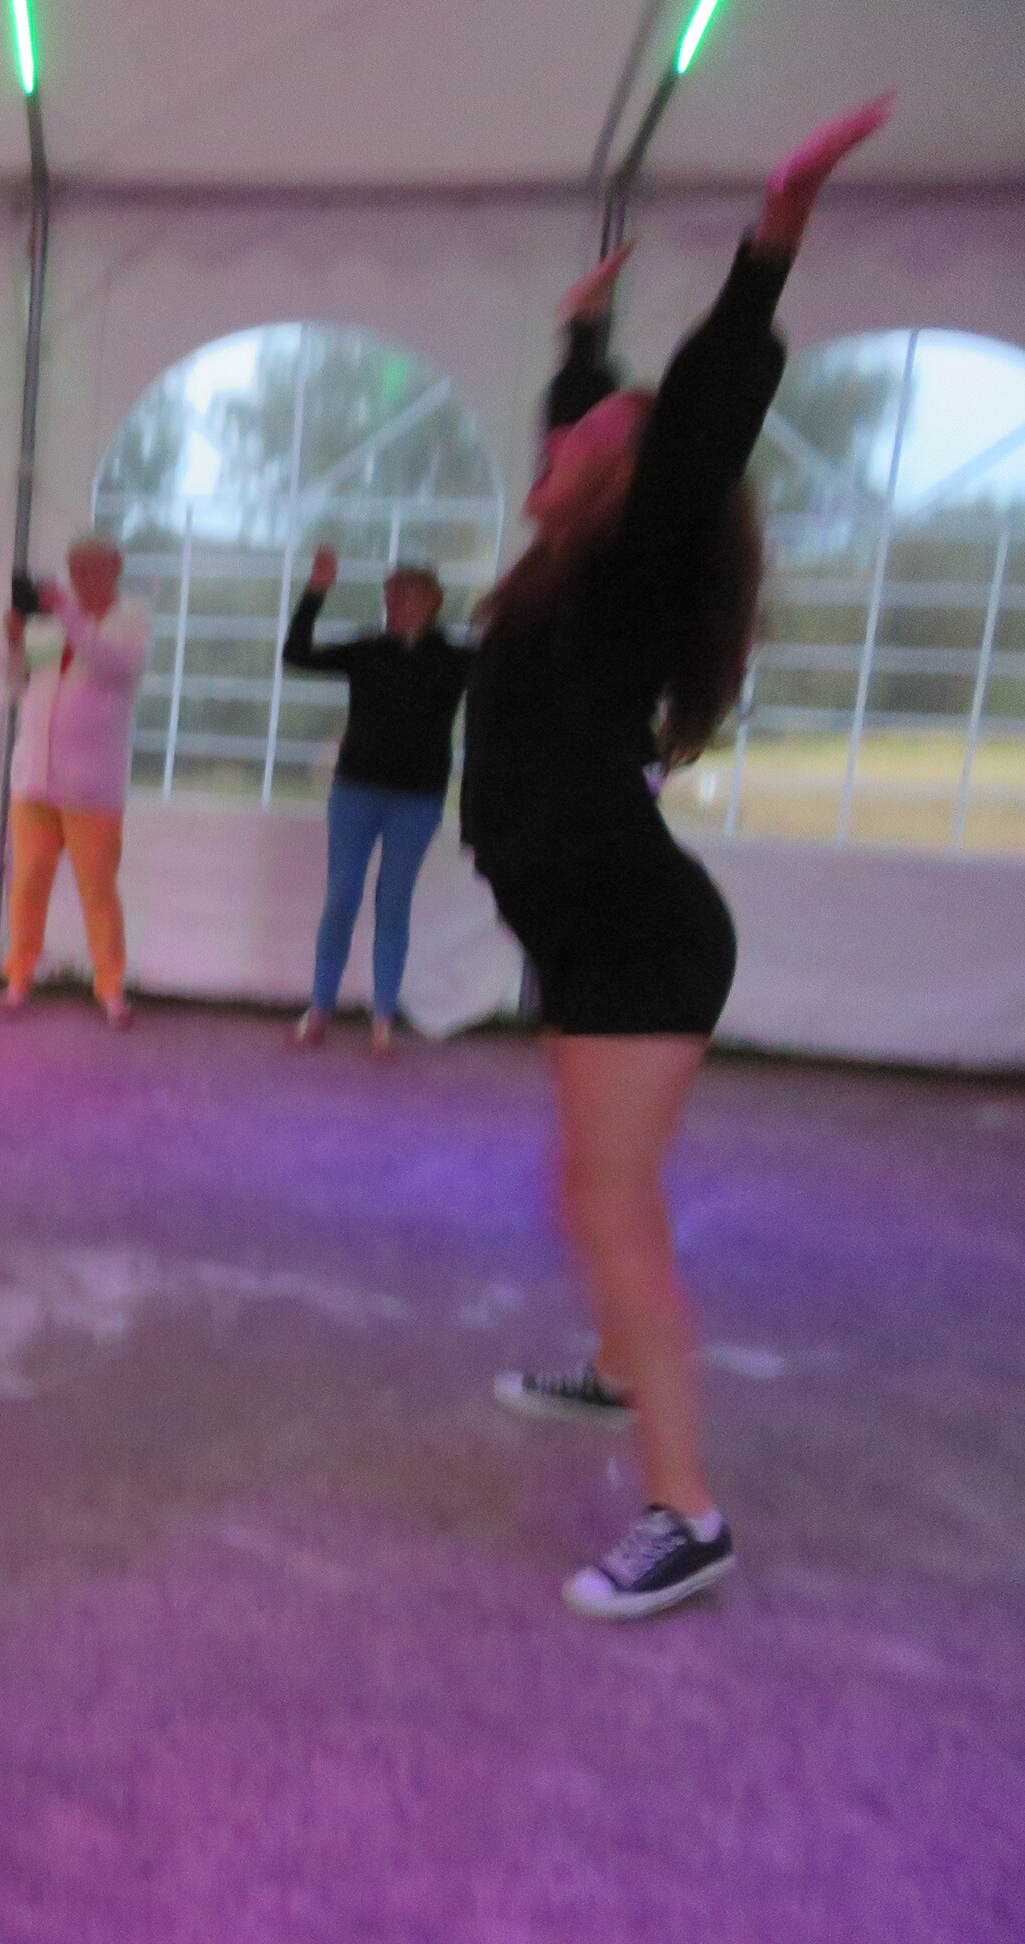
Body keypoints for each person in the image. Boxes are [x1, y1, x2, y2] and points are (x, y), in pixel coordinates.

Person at [464, 94, 894, 1620]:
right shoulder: (561, 577)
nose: (557, 440)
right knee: (586, 1185)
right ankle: (610, 1369)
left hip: (641, 936)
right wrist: (583, 346)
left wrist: (776, 231)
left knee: (613, 1205)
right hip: (589, 930)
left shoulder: (634, 568)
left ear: (623, 485)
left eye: (580, 438)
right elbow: (609, 423)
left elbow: (696, 423)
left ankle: (686, 1511)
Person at [282, 551, 474, 1058]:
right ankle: (319, 1008)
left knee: (393, 903)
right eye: (390, 598)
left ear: (432, 601)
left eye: (406, 597)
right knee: (341, 897)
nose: (395, 606)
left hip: (417, 798)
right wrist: (315, 592)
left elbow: (512, 682)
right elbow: (296, 654)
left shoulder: (456, 659)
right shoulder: (368, 649)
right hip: (356, 790)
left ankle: (383, 1016)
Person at [0, 534, 153, 1027]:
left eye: (90, 567)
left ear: (116, 567)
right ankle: (19, 976)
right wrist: (14, 639)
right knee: (27, 883)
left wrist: (66, 611)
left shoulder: (130, 619)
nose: (80, 577)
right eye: (74, 568)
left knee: (98, 890)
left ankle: (110, 986)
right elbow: (14, 684)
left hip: (92, 787)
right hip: (34, 778)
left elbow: (114, 668)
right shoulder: (49, 624)